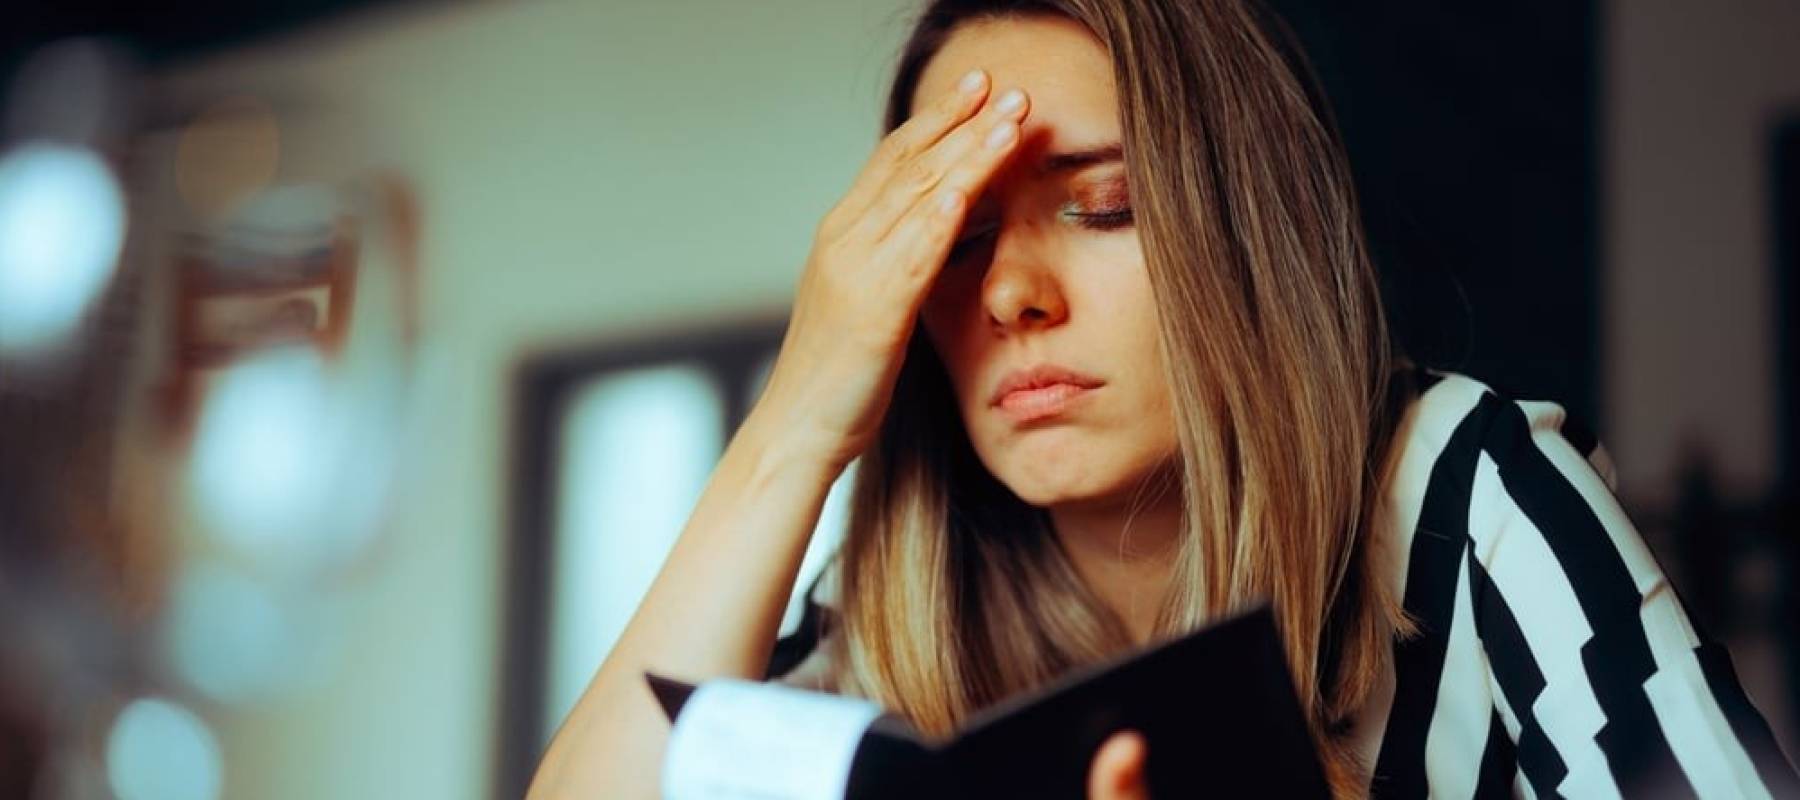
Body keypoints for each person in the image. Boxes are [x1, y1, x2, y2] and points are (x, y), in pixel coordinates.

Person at [527, 1, 1799, 797]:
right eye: (952, 241)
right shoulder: (888, 605)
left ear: (1243, 233)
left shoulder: (1467, 494)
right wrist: (794, 422)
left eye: (1102, 205)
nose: (1013, 291)